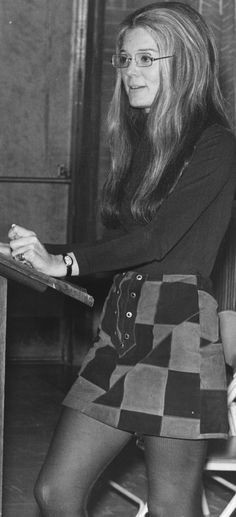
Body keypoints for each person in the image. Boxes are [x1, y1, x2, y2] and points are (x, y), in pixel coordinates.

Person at [1, 2, 236, 516]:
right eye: (124, 59)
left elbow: (157, 241)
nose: (131, 71)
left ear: (188, 60)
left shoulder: (216, 145)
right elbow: (123, 247)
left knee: (173, 506)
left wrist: (63, 264)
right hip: (123, 325)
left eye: (147, 58)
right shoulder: (145, 145)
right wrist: (37, 253)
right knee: (55, 491)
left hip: (179, 331)